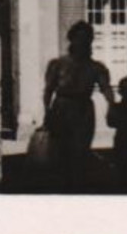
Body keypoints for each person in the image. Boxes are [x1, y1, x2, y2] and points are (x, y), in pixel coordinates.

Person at [42, 20, 115, 192]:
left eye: (87, 39)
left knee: (81, 151)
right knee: (61, 151)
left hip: (83, 110)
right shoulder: (58, 64)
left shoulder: (96, 67)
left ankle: (78, 187)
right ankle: (62, 187)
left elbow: (106, 88)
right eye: (79, 38)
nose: (83, 42)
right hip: (62, 108)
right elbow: (48, 90)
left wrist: (111, 105)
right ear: (71, 40)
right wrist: (47, 112)